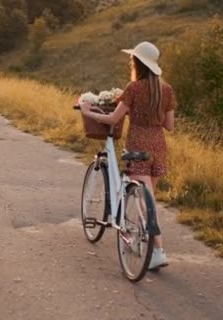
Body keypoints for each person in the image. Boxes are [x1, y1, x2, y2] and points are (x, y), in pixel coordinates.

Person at [80, 41, 177, 270]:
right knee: (149, 197)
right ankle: (149, 245)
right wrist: (154, 113)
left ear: (138, 63)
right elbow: (169, 125)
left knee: (146, 203)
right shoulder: (167, 90)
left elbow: (114, 119)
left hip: (138, 146)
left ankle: (158, 251)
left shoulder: (133, 89)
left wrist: (88, 113)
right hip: (158, 147)